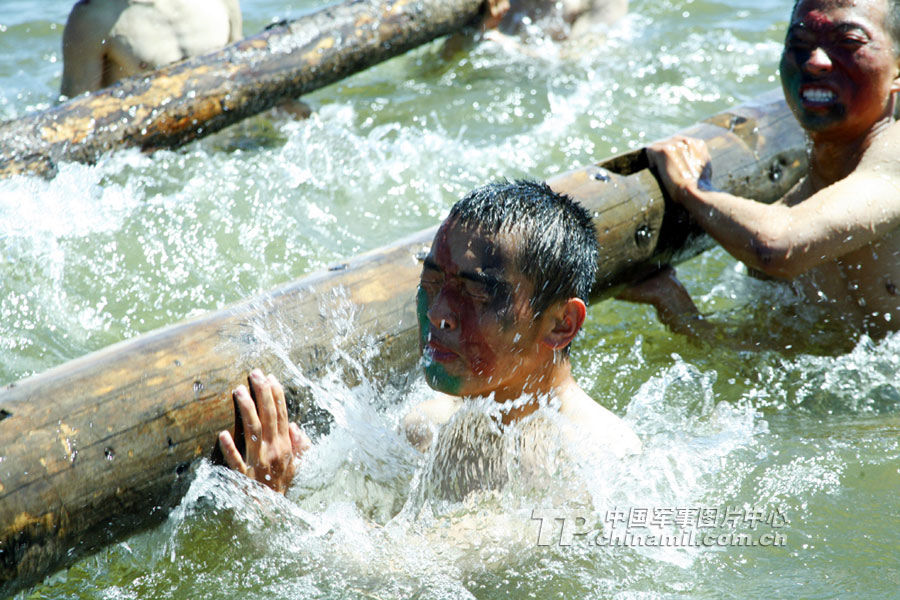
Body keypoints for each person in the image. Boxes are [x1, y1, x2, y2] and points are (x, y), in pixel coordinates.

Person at [218, 180, 641, 495]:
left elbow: (394, 578)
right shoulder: (429, 427)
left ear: (561, 324)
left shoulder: (588, 464)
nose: (439, 313)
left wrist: (271, 509)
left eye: (477, 293)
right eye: (433, 282)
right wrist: (302, 483)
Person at [620, 0, 900, 341]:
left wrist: (692, 190)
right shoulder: (783, 212)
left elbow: (778, 245)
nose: (815, 61)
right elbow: (763, 361)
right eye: (799, 45)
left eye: (848, 43)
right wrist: (676, 307)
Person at [60, 0, 243, 97]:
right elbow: (74, 114)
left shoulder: (222, 2)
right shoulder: (92, 18)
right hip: (151, 152)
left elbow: (245, 71)